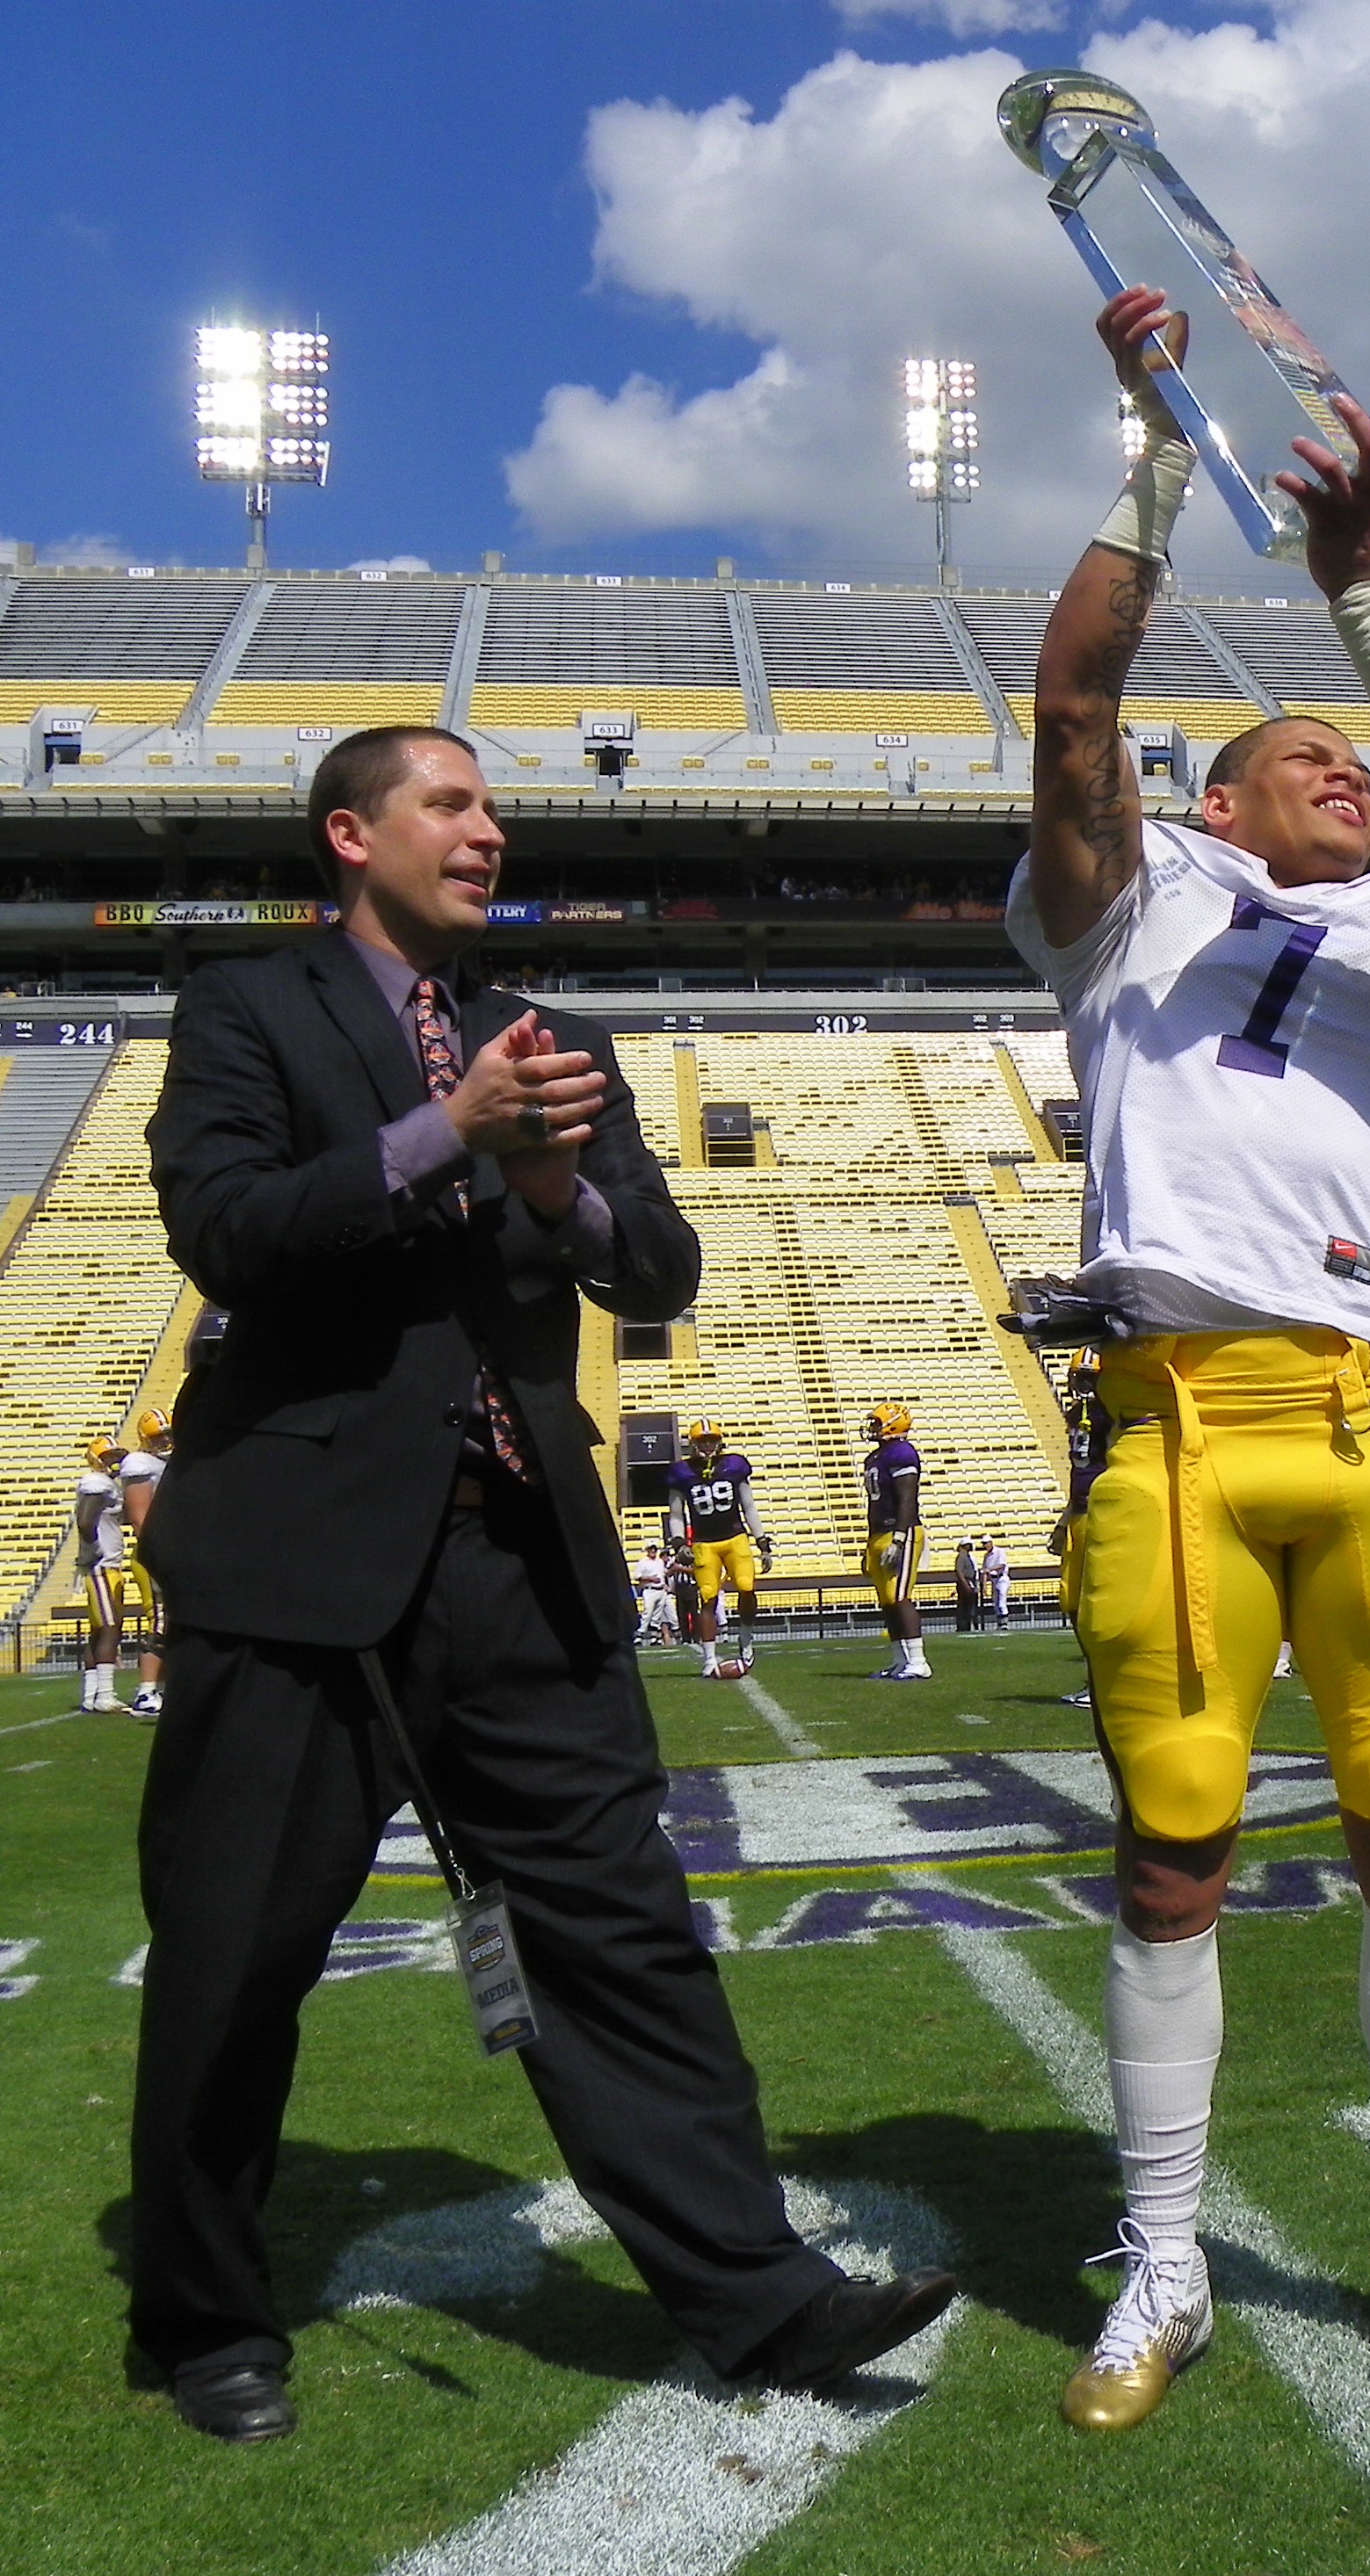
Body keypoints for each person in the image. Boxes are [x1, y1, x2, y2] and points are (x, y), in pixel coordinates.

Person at [130, 724, 953, 2445]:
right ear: (350, 834)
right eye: (453, 802)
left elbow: (661, 1265)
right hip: (295, 1557)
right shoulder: (248, 1009)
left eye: (496, 806)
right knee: (238, 1949)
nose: (489, 831)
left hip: (518, 1553)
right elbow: (225, 1230)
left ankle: (759, 2295)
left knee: (618, 1933)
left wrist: (556, 1181)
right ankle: (204, 2315)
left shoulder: (560, 1045)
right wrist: (446, 1130)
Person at [1011, 284, 1370, 2432]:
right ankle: (1161, 2255)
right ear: (1218, 810)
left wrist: (1366, 614)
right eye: (1303, 758)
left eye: (1357, 761)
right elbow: (1071, 705)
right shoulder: (1130, 907)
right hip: (1172, 1422)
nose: (1345, 773)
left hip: (1369, 1417)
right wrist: (1154, 453)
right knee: (1170, 1853)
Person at [667, 1420, 771, 1677]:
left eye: (711, 1440)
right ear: (692, 1444)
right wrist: (679, 1543)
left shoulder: (734, 1465)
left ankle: (745, 1641)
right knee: (709, 1597)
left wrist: (762, 1541)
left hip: (735, 1537)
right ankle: (709, 1658)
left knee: (746, 1588)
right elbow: (677, 1514)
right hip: (704, 1543)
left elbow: (749, 1506)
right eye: (702, 1441)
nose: (707, 1445)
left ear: (719, 1441)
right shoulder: (682, 1472)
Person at [862, 1401, 930, 1680]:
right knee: (886, 1601)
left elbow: (907, 1499)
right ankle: (900, 1660)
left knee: (899, 1597)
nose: (873, 1428)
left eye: (877, 1422)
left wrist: (899, 1539)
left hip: (901, 1530)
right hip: (879, 1532)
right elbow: (873, 1505)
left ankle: (919, 1661)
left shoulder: (902, 1452)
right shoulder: (876, 1458)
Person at [1054, 1348, 1106, 1706]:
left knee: (1098, 1601)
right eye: (1079, 1376)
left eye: (1089, 1376)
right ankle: (1095, 1680)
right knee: (1071, 1600)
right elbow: (1078, 1472)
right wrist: (1064, 1518)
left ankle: (1106, 1682)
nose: (1080, 1383)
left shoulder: (1112, 1414)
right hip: (1080, 1511)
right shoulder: (1078, 1415)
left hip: (1104, 1511)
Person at [120, 1407, 172, 1718]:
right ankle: (145, 1692)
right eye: (158, 1436)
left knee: (176, 1621)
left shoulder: (168, 1461)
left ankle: (165, 1688)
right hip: (157, 1553)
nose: (165, 1440)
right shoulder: (139, 1464)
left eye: (168, 1434)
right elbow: (141, 1520)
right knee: (161, 1620)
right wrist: (162, 1553)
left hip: (176, 1549)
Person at [75, 1435, 127, 1713]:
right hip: (102, 1565)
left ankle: (91, 1695)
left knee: (98, 1631)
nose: (113, 1461)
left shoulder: (107, 1484)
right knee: (109, 1628)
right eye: (108, 1456)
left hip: (105, 1565)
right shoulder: (97, 1483)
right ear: (96, 1459)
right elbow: (85, 1522)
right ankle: (105, 1695)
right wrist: (95, 1550)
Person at [631, 1541, 678, 1645]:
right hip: (650, 1590)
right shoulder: (643, 1562)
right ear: (647, 1549)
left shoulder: (660, 1561)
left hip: (660, 1590)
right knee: (647, 1614)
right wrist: (650, 1579)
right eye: (651, 1548)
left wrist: (664, 1584)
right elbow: (637, 1576)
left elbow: (664, 1574)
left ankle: (654, 1637)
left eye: (655, 1549)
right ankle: (640, 1635)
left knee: (657, 1616)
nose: (653, 1551)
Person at [982, 1537, 1011, 1627]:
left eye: (986, 1543)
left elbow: (1002, 1565)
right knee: (995, 1601)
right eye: (984, 1543)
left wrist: (990, 1569)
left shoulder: (999, 1551)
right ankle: (999, 1622)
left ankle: (1004, 1622)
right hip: (993, 1579)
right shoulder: (986, 1556)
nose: (985, 1545)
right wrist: (984, 1585)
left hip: (1002, 1578)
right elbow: (985, 1571)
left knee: (1002, 1599)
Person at [953, 1538, 981, 1634]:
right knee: (964, 1606)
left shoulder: (966, 1556)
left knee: (968, 1606)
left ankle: (966, 1625)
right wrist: (965, 1584)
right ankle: (963, 1626)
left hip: (968, 1581)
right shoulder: (962, 1556)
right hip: (966, 1582)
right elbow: (959, 1571)